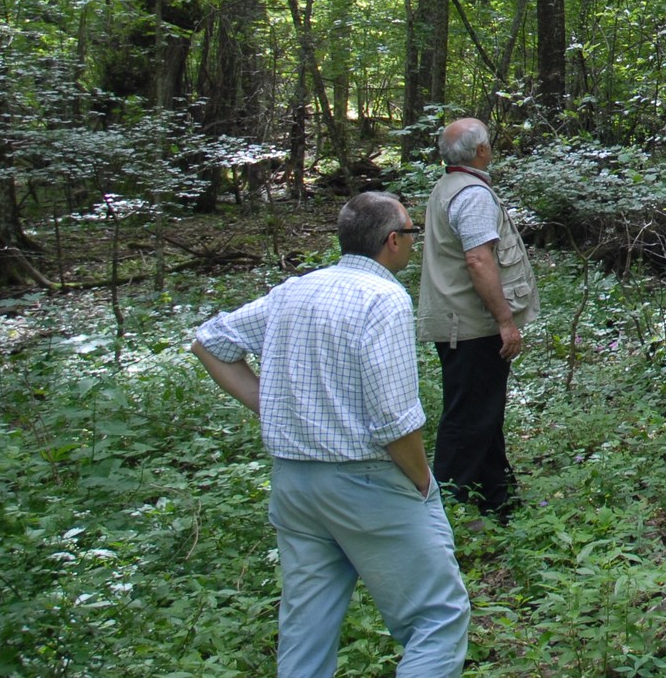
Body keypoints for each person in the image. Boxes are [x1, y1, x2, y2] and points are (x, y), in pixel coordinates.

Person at [191, 191, 469, 678]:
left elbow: (210, 342)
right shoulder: (383, 298)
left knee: (307, 629)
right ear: (391, 242)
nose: (412, 242)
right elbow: (394, 419)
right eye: (410, 232)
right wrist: (423, 483)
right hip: (367, 485)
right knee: (437, 619)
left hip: (296, 487)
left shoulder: (295, 290)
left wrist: (271, 405)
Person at [417, 117, 538, 519]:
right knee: (467, 420)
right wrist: (505, 321)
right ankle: (443, 513)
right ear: (481, 151)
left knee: (482, 411)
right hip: (469, 326)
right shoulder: (471, 195)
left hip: (458, 324)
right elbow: (478, 258)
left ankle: (500, 503)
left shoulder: (448, 186)